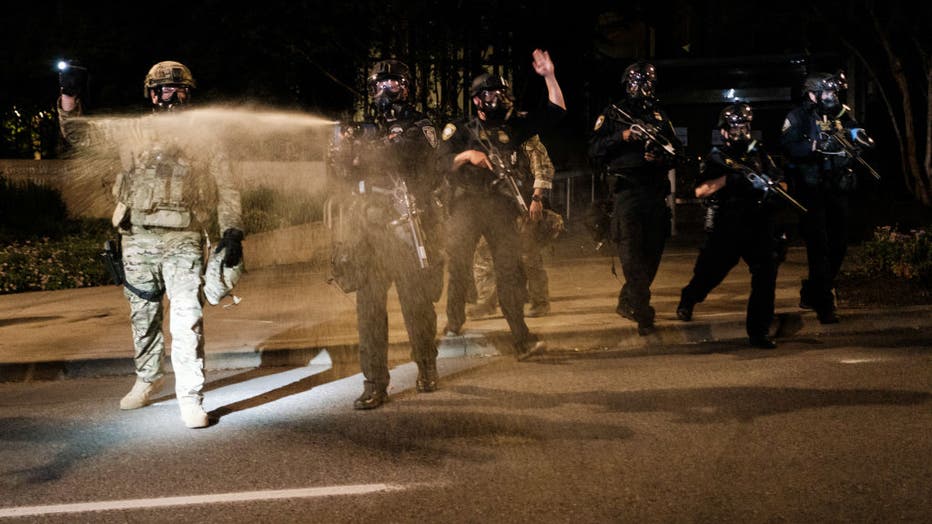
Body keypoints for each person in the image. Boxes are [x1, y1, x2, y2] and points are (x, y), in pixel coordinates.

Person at [57, 60, 244, 428]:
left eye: (177, 89)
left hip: (184, 238)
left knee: (187, 319)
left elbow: (227, 187)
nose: (168, 96)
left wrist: (232, 231)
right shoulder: (134, 131)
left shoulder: (205, 137)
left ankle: (190, 397)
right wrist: (69, 96)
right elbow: (78, 135)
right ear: (151, 94)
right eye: (161, 90)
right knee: (142, 317)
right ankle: (148, 378)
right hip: (138, 237)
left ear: (189, 94)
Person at [328, 59, 443, 410]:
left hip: (405, 227)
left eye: (393, 84)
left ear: (407, 88)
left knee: (416, 303)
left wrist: (362, 152)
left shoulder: (420, 125)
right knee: (369, 308)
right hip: (368, 230)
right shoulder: (364, 130)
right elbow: (343, 174)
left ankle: (426, 366)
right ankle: (375, 382)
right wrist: (341, 154)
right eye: (379, 84)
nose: (385, 90)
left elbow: (403, 156)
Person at [438, 49, 565, 360]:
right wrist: (467, 156)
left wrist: (549, 75)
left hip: (501, 207)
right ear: (478, 99)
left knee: (509, 272)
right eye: (491, 93)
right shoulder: (461, 130)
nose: (498, 98)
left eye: (502, 92)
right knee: (459, 267)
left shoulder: (514, 126)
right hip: (466, 207)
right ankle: (454, 323)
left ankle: (522, 339)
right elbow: (436, 162)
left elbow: (556, 111)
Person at [676, 103, 786, 349]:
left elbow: (782, 182)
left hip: (758, 224)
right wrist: (729, 179)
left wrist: (772, 184)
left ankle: (758, 332)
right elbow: (700, 190)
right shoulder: (717, 158)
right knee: (710, 273)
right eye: (733, 127)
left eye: (743, 126)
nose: (738, 131)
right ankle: (689, 298)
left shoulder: (760, 153)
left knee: (765, 276)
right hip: (729, 225)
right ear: (723, 131)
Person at [588, 61, 683, 336]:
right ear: (626, 84)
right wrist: (622, 136)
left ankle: (628, 300)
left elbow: (677, 152)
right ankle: (643, 312)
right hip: (626, 193)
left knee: (652, 255)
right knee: (631, 256)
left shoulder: (659, 116)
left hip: (654, 193)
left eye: (647, 83)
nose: (641, 89)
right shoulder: (614, 114)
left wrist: (660, 156)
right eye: (635, 83)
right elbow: (594, 150)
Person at [781, 71, 873, 324]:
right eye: (828, 92)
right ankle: (825, 305)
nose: (833, 96)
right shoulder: (798, 116)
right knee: (819, 248)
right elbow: (788, 147)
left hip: (838, 187)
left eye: (835, 92)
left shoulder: (841, 112)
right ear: (813, 94)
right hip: (812, 190)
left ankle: (812, 291)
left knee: (839, 245)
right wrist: (814, 146)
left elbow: (856, 131)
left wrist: (860, 140)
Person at [468, 134, 563, 320]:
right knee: (483, 256)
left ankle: (540, 301)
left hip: (523, 204)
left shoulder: (523, 134)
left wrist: (537, 198)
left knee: (529, 255)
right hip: (494, 206)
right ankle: (487, 303)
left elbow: (542, 167)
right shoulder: (481, 137)